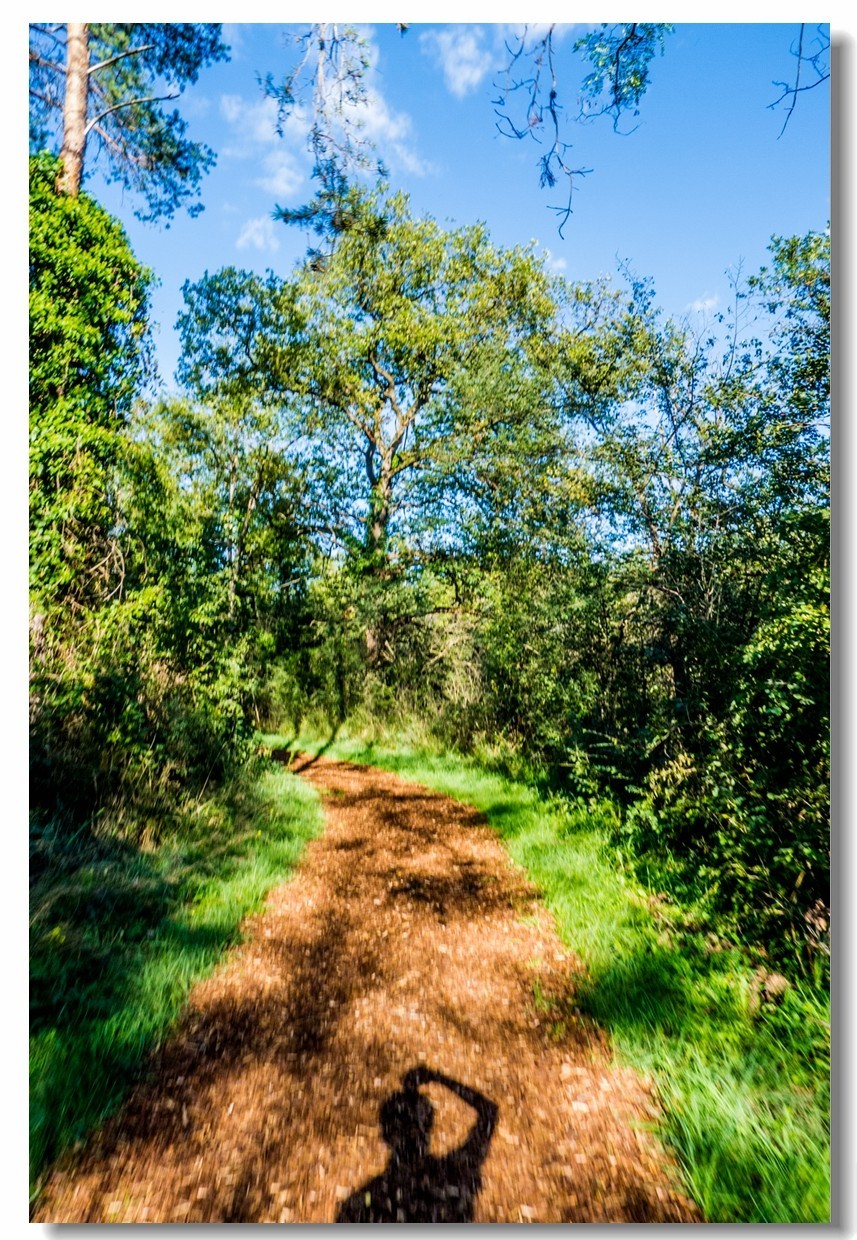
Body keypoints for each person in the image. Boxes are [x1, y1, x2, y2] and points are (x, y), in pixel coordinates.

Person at [336, 1065, 498, 1223]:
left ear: (386, 1135)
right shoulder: (453, 1172)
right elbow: (488, 1112)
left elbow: (489, 1112)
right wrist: (437, 1078)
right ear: (427, 1132)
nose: (413, 1135)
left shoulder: (366, 1202)